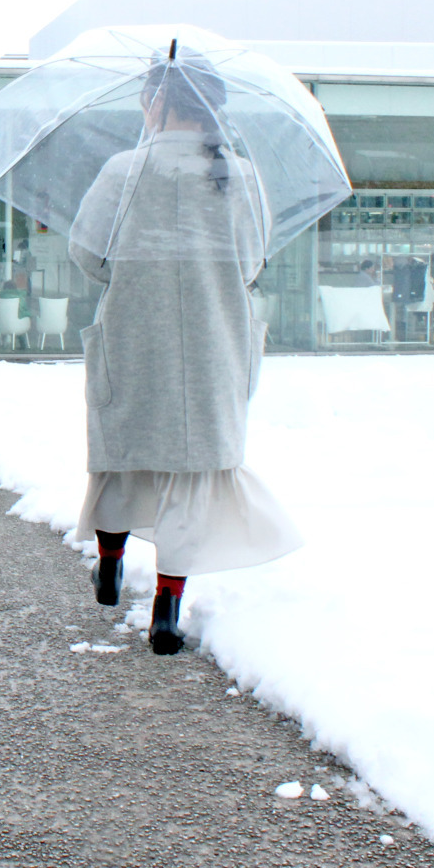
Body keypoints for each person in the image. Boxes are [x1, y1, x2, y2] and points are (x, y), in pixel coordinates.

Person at [70, 53, 303, 656]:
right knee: (190, 474)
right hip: (212, 341)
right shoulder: (242, 177)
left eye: (146, 98)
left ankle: (111, 562)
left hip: (133, 334)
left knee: (123, 456)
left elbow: (88, 254)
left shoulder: (125, 170)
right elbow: (251, 264)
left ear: (160, 101)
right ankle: (169, 605)